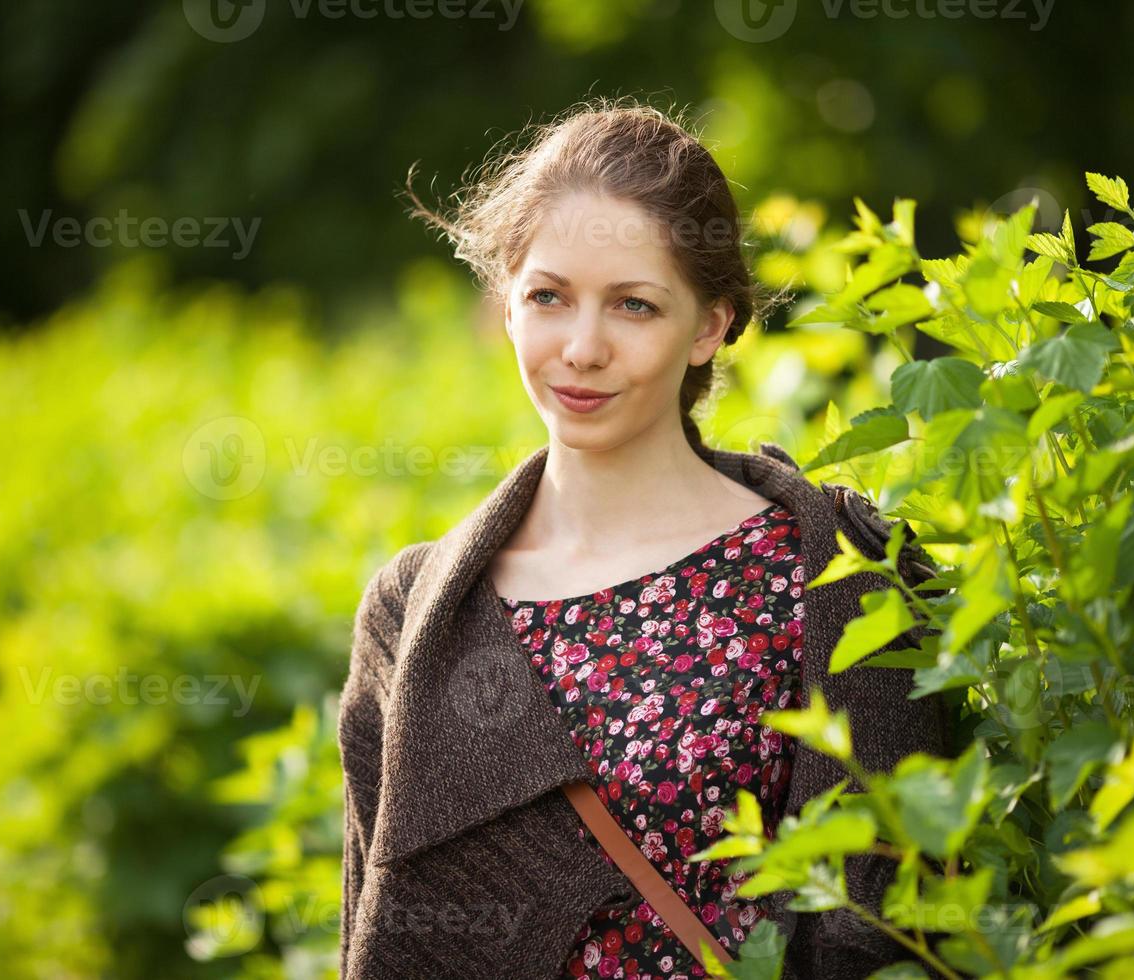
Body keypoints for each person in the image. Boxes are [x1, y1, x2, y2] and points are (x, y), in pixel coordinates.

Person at [337, 96, 950, 980]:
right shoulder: (415, 611)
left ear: (710, 326)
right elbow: (374, 923)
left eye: (633, 306)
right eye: (548, 297)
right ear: (506, 305)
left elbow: (893, 927)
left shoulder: (830, 570)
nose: (582, 348)